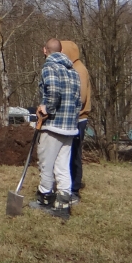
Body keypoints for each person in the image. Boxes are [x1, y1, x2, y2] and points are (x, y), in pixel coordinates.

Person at [30, 38, 81, 216]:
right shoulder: (72, 71)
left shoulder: (49, 67)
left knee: (46, 163)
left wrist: (45, 109)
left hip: (53, 126)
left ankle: (45, 197)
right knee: (62, 166)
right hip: (69, 127)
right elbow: (77, 100)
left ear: (45, 50)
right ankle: (63, 204)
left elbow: (53, 92)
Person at [60, 40, 90, 206]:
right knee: (68, 154)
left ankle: (74, 190)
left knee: (75, 155)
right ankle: (67, 187)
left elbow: (81, 97)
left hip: (78, 119)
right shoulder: (71, 68)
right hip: (71, 118)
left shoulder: (79, 70)